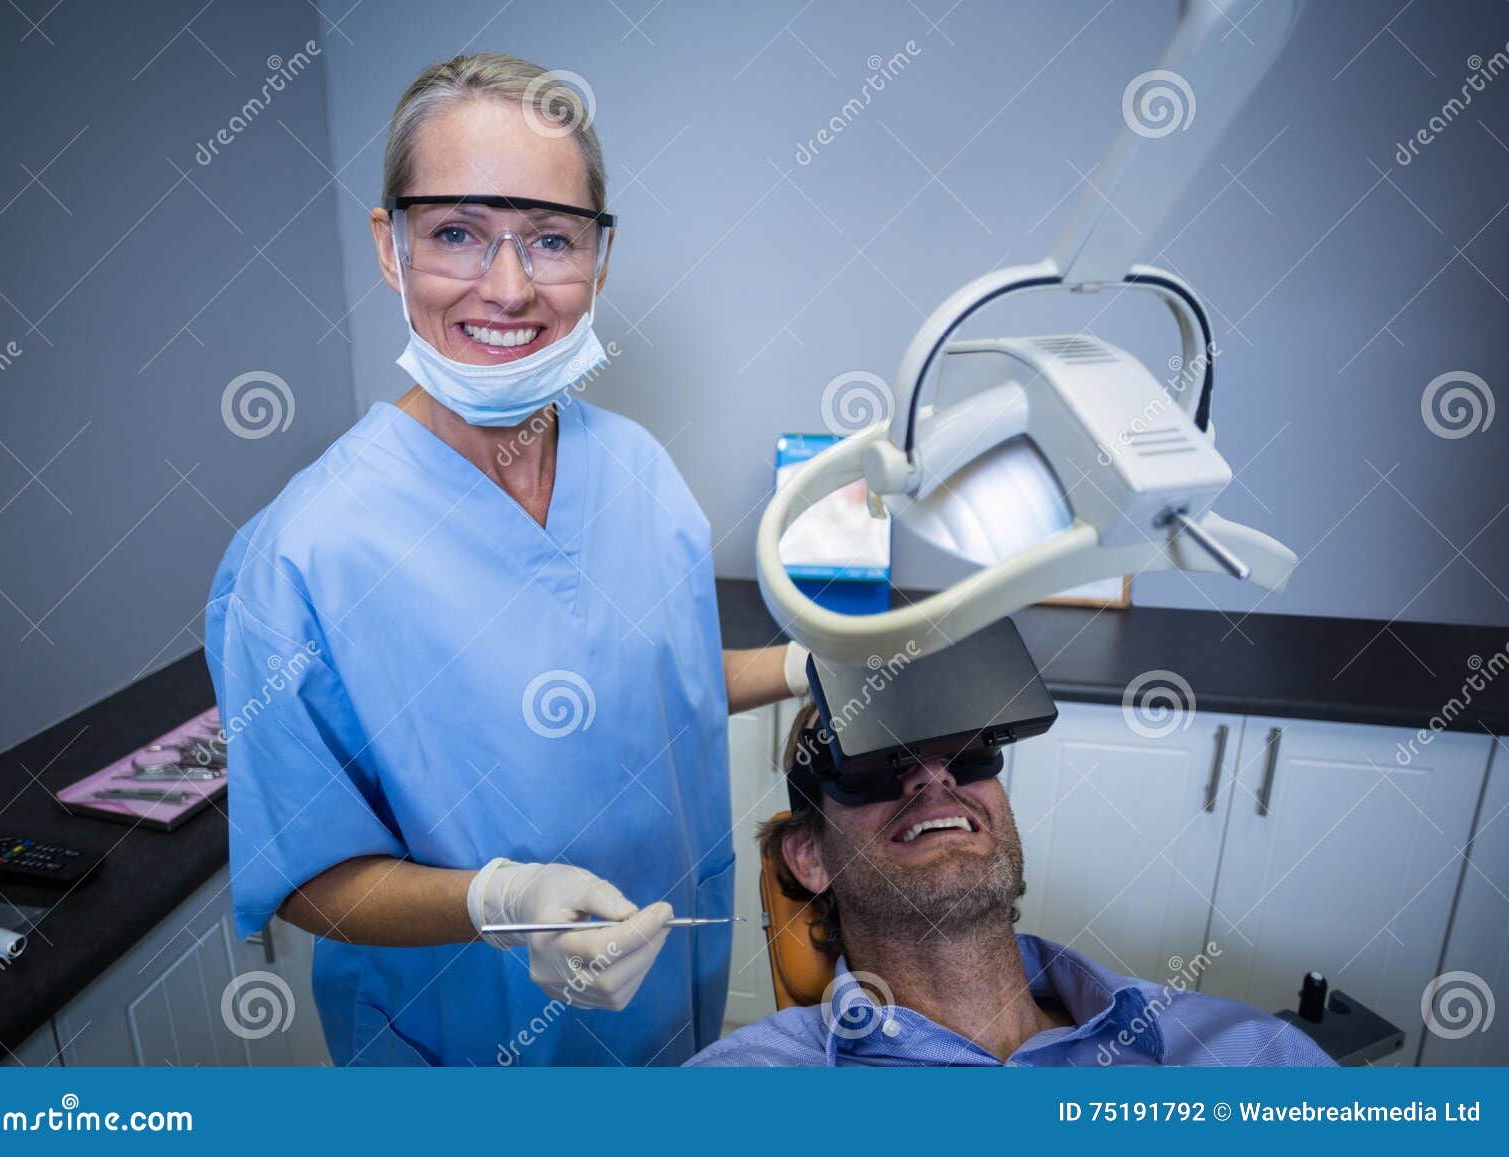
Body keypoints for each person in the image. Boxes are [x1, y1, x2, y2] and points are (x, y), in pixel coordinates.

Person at [205, 53, 807, 1067]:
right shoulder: (304, 554)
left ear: (599, 258)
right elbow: (304, 871)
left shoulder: (641, 473)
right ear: (389, 246)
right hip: (459, 1047)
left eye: (550, 238)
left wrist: (805, 666)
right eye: (455, 233)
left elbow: (655, 691)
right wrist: (497, 902)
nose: (510, 285)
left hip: (665, 1004)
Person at [689, 704, 1335, 1067]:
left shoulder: (1246, 1053)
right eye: (870, 762)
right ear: (809, 856)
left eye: (968, 747)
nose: (933, 774)